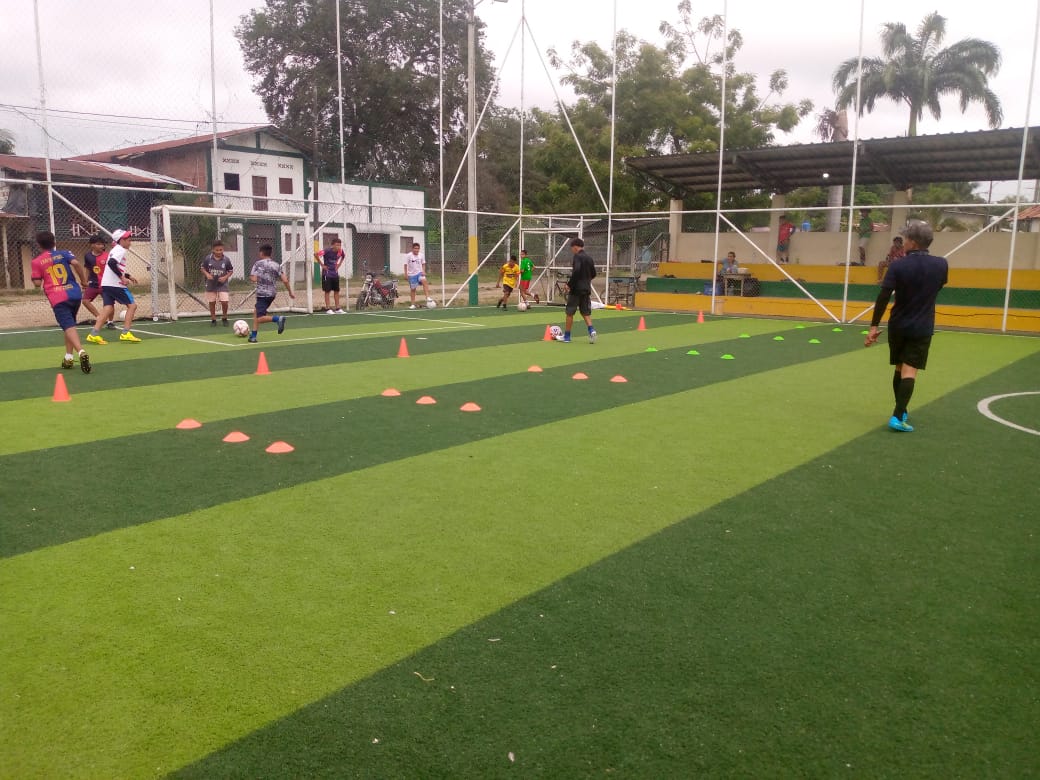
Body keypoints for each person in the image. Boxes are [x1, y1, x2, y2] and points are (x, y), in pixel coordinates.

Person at [864, 220, 948, 433]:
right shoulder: (941, 265)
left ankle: (900, 411)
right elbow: (938, 287)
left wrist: (873, 326)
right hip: (922, 324)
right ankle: (898, 415)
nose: (904, 243)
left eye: (906, 239)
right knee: (910, 370)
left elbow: (884, 296)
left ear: (913, 242)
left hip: (898, 324)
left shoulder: (898, 265)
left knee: (900, 368)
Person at [30, 231, 92, 373]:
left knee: (68, 325)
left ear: (38, 245)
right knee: (69, 325)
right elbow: (76, 263)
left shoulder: (36, 261)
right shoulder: (64, 253)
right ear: (54, 242)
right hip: (74, 293)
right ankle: (68, 358)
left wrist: (34, 278)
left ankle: (81, 351)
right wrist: (83, 281)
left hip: (57, 297)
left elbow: (37, 283)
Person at [86, 229, 141, 344]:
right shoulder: (120, 250)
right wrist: (122, 278)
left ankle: (93, 334)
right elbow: (111, 263)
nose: (130, 242)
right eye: (128, 240)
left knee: (108, 308)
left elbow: (113, 266)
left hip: (106, 284)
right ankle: (126, 333)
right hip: (116, 285)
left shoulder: (114, 250)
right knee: (132, 306)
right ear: (121, 240)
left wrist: (128, 276)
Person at [248, 244, 295, 343]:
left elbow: (253, 278)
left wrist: (256, 277)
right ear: (270, 253)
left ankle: (278, 319)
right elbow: (285, 280)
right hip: (272, 294)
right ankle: (253, 336)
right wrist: (290, 292)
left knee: (260, 318)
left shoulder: (257, 264)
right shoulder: (276, 265)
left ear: (261, 253)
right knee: (256, 312)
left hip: (262, 294)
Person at [557, 238, 597, 343]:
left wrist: (569, 284)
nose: (572, 250)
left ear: (575, 247)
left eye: (572, 248)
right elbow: (594, 274)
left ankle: (567, 336)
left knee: (570, 312)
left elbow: (577, 271)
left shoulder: (577, 257)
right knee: (585, 312)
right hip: (586, 289)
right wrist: (586, 281)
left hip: (576, 289)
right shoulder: (589, 258)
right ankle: (591, 330)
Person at [201, 240, 234, 326]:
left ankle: (224, 317)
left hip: (223, 285)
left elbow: (230, 271)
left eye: (221, 250)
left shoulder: (226, 259)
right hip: (211, 284)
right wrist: (207, 274)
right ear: (213, 250)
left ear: (223, 249)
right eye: (217, 250)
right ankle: (213, 319)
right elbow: (202, 268)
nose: (219, 252)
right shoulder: (208, 258)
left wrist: (225, 277)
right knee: (212, 302)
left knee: (224, 302)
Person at [79, 234, 107, 323]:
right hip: (93, 283)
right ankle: (99, 317)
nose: (101, 246)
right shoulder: (87, 256)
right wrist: (85, 281)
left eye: (102, 244)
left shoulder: (107, 256)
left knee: (108, 303)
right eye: (98, 244)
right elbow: (87, 268)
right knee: (85, 301)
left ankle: (110, 322)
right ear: (92, 245)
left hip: (105, 284)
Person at [314, 237, 345, 313]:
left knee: (336, 291)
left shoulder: (340, 251)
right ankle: (328, 308)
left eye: (340, 245)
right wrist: (322, 265)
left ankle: (338, 308)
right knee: (327, 291)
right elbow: (315, 254)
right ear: (333, 245)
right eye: (337, 245)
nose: (338, 247)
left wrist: (339, 265)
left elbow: (343, 256)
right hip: (327, 274)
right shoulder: (327, 251)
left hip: (335, 274)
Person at [404, 242, 432, 309]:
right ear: (412, 249)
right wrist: (406, 274)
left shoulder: (421, 255)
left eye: (418, 248)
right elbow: (405, 265)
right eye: (415, 248)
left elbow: (423, 264)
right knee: (413, 289)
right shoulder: (408, 255)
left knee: (424, 280)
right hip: (411, 275)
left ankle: (427, 297)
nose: (416, 250)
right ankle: (413, 304)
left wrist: (423, 271)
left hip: (419, 273)